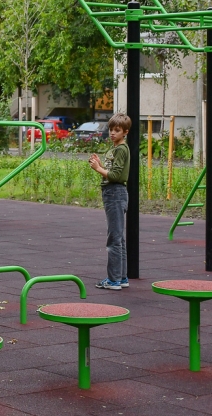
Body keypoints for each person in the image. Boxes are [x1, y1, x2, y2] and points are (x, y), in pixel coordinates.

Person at [88, 112, 131, 291]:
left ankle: (114, 280)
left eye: (117, 130)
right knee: (119, 238)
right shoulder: (117, 149)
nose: (112, 133)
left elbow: (115, 176)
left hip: (115, 193)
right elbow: (113, 171)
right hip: (115, 193)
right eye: (111, 129)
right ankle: (121, 277)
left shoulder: (121, 149)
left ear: (125, 132)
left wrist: (98, 169)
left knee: (114, 239)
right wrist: (101, 165)